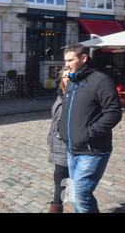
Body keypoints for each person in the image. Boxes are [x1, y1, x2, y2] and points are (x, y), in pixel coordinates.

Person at [57, 44, 122, 213]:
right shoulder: (71, 81)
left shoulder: (101, 80)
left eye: (71, 60)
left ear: (83, 58)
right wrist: (61, 128)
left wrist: (89, 133)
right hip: (72, 150)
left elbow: (113, 112)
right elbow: (67, 109)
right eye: (65, 60)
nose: (67, 64)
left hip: (92, 150)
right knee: (77, 195)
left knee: (79, 195)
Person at [47, 68, 70, 213]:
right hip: (58, 144)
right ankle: (56, 208)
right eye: (64, 76)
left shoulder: (76, 95)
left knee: (80, 189)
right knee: (59, 180)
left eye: (69, 75)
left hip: (69, 145)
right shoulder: (61, 94)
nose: (66, 78)